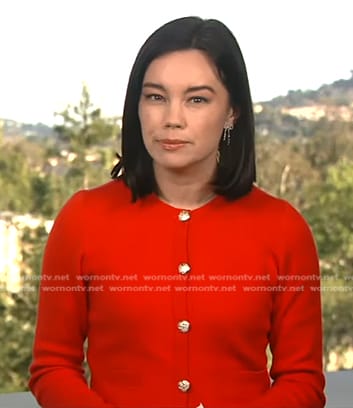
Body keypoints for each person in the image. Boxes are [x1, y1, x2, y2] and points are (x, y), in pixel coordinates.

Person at [29, 16, 326, 408]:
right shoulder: (84, 219)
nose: (172, 118)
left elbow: (302, 380)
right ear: (137, 106)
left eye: (197, 99)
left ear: (232, 111)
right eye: (155, 97)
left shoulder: (283, 229)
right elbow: (51, 367)